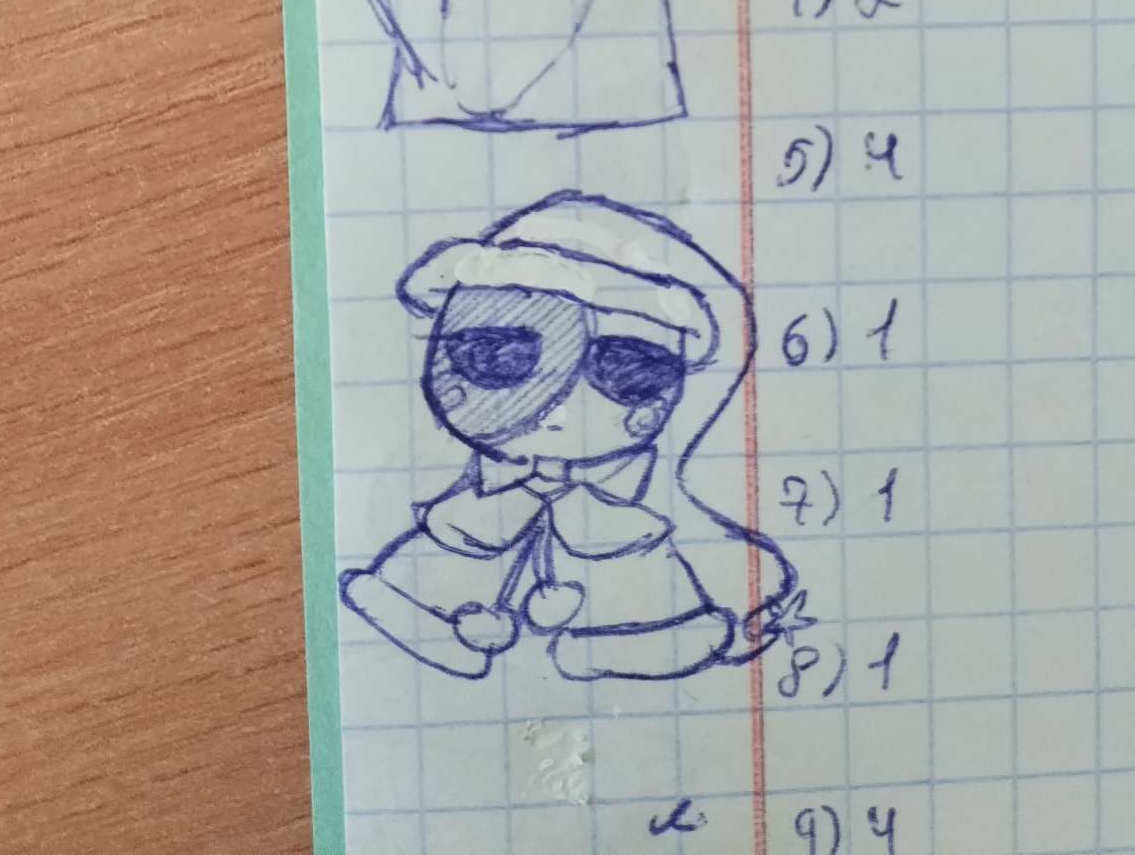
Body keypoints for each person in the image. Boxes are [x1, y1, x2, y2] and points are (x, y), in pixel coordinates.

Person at [339, 193, 797, 682]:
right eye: (494, 357)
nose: (555, 409)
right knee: (459, 545)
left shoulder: (633, 506)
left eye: (627, 372)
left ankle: (646, 635)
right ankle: (429, 618)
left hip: (634, 585)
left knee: (626, 556)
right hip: (441, 596)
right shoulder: (471, 496)